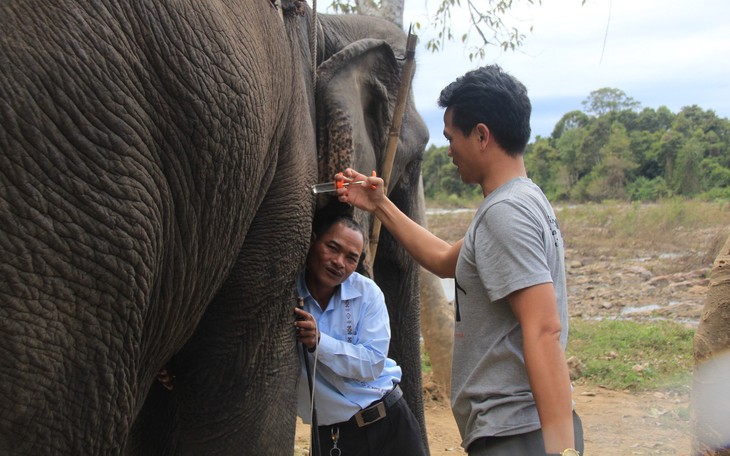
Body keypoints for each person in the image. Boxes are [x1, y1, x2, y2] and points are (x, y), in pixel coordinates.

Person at [335, 65, 584, 456]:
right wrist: (379, 204)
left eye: (452, 137)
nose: (448, 150)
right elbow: (445, 259)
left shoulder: (507, 213)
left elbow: (543, 330)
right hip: (512, 431)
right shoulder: (520, 200)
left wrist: (562, 450)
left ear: (482, 135)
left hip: (518, 435)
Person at [293, 212, 426, 456]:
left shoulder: (367, 293)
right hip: (332, 438)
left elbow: (373, 363)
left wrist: (320, 342)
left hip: (390, 424)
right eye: (332, 248)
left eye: (351, 258)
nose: (339, 262)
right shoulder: (288, 296)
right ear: (312, 241)